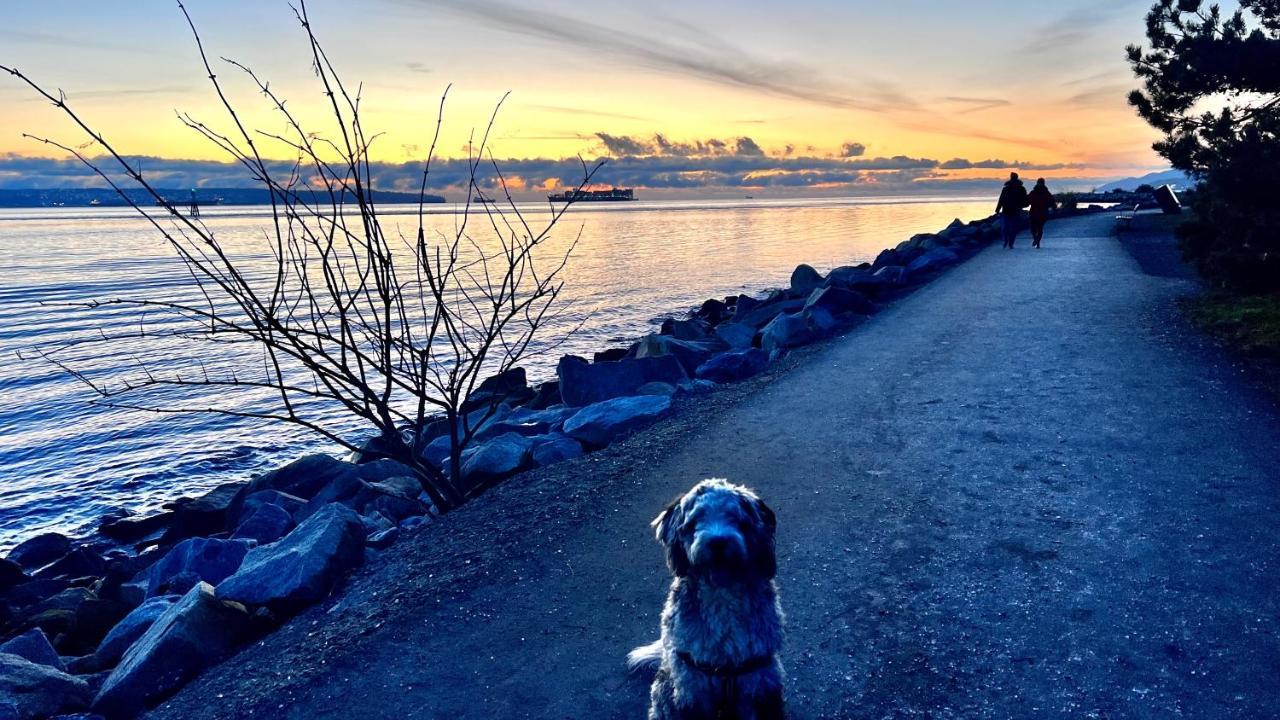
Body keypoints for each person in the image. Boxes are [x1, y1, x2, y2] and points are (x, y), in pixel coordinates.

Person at [994, 172, 1028, 249]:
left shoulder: (1018, 189)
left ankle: (1008, 242)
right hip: (1011, 210)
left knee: (1007, 228)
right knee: (1010, 228)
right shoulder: (1008, 189)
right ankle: (1008, 242)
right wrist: (998, 209)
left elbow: (1001, 199)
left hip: (1011, 210)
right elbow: (1001, 199)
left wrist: (997, 209)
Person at [1027, 178, 1056, 248]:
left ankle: (1036, 240)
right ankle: (1037, 240)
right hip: (1042, 212)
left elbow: (1027, 200)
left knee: (1034, 228)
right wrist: (1054, 208)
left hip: (1034, 212)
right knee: (1039, 228)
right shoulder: (1046, 192)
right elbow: (1052, 201)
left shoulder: (1034, 192)